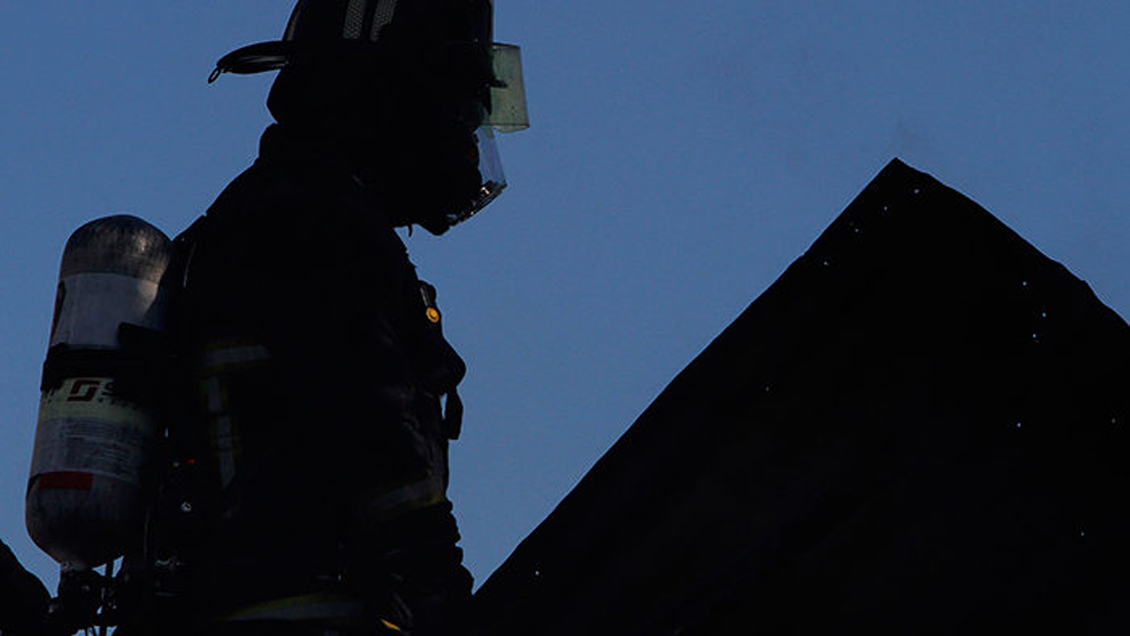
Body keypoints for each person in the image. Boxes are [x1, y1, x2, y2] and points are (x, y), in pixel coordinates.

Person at [124, 2, 527, 635]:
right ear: (395, 96)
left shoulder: (252, 218)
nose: (467, 141)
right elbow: (368, 410)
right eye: (460, 105)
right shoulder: (317, 222)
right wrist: (437, 579)